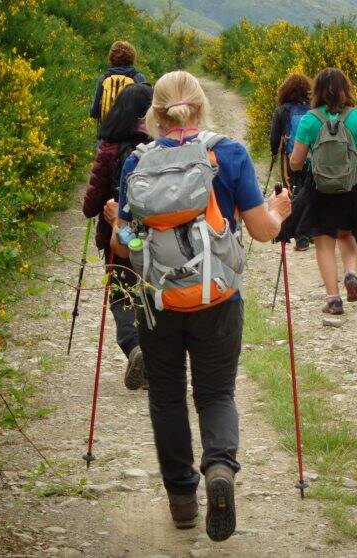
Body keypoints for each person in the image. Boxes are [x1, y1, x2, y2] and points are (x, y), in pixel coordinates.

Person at [109, 71, 291, 541]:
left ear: (155, 114)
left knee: (166, 398)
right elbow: (261, 231)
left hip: (159, 303)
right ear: (201, 106)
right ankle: (220, 469)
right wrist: (279, 211)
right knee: (216, 394)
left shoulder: (136, 162)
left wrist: (117, 222)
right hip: (218, 299)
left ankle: (182, 500)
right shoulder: (227, 154)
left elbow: (123, 245)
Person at [288, 67, 357, 315]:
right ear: (346, 89)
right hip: (351, 188)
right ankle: (351, 273)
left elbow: (295, 162)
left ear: (316, 91)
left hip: (320, 191)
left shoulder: (310, 119)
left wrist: (304, 160)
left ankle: (333, 299)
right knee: (347, 233)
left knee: (324, 242)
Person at [83, 84, 153, 389]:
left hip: (117, 236)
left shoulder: (109, 146)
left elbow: (90, 205)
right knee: (150, 293)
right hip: (155, 233)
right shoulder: (157, 144)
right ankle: (154, 358)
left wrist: (104, 209)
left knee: (122, 294)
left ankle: (134, 347)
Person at [269, 74, 312, 251]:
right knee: (310, 192)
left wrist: (273, 153)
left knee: (295, 192)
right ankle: (311, 233)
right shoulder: (312, 109)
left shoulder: (282, 111)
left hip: (291, 158)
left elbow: (274, 138)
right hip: (312, 159)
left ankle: (301, 237)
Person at [89, 41, 147, 122]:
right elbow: (145, 111)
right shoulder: (139, 78)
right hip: (131, 132)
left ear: (111, 58)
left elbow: (93, 113)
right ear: (132, 58)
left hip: (106, 132)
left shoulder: (103, 79)